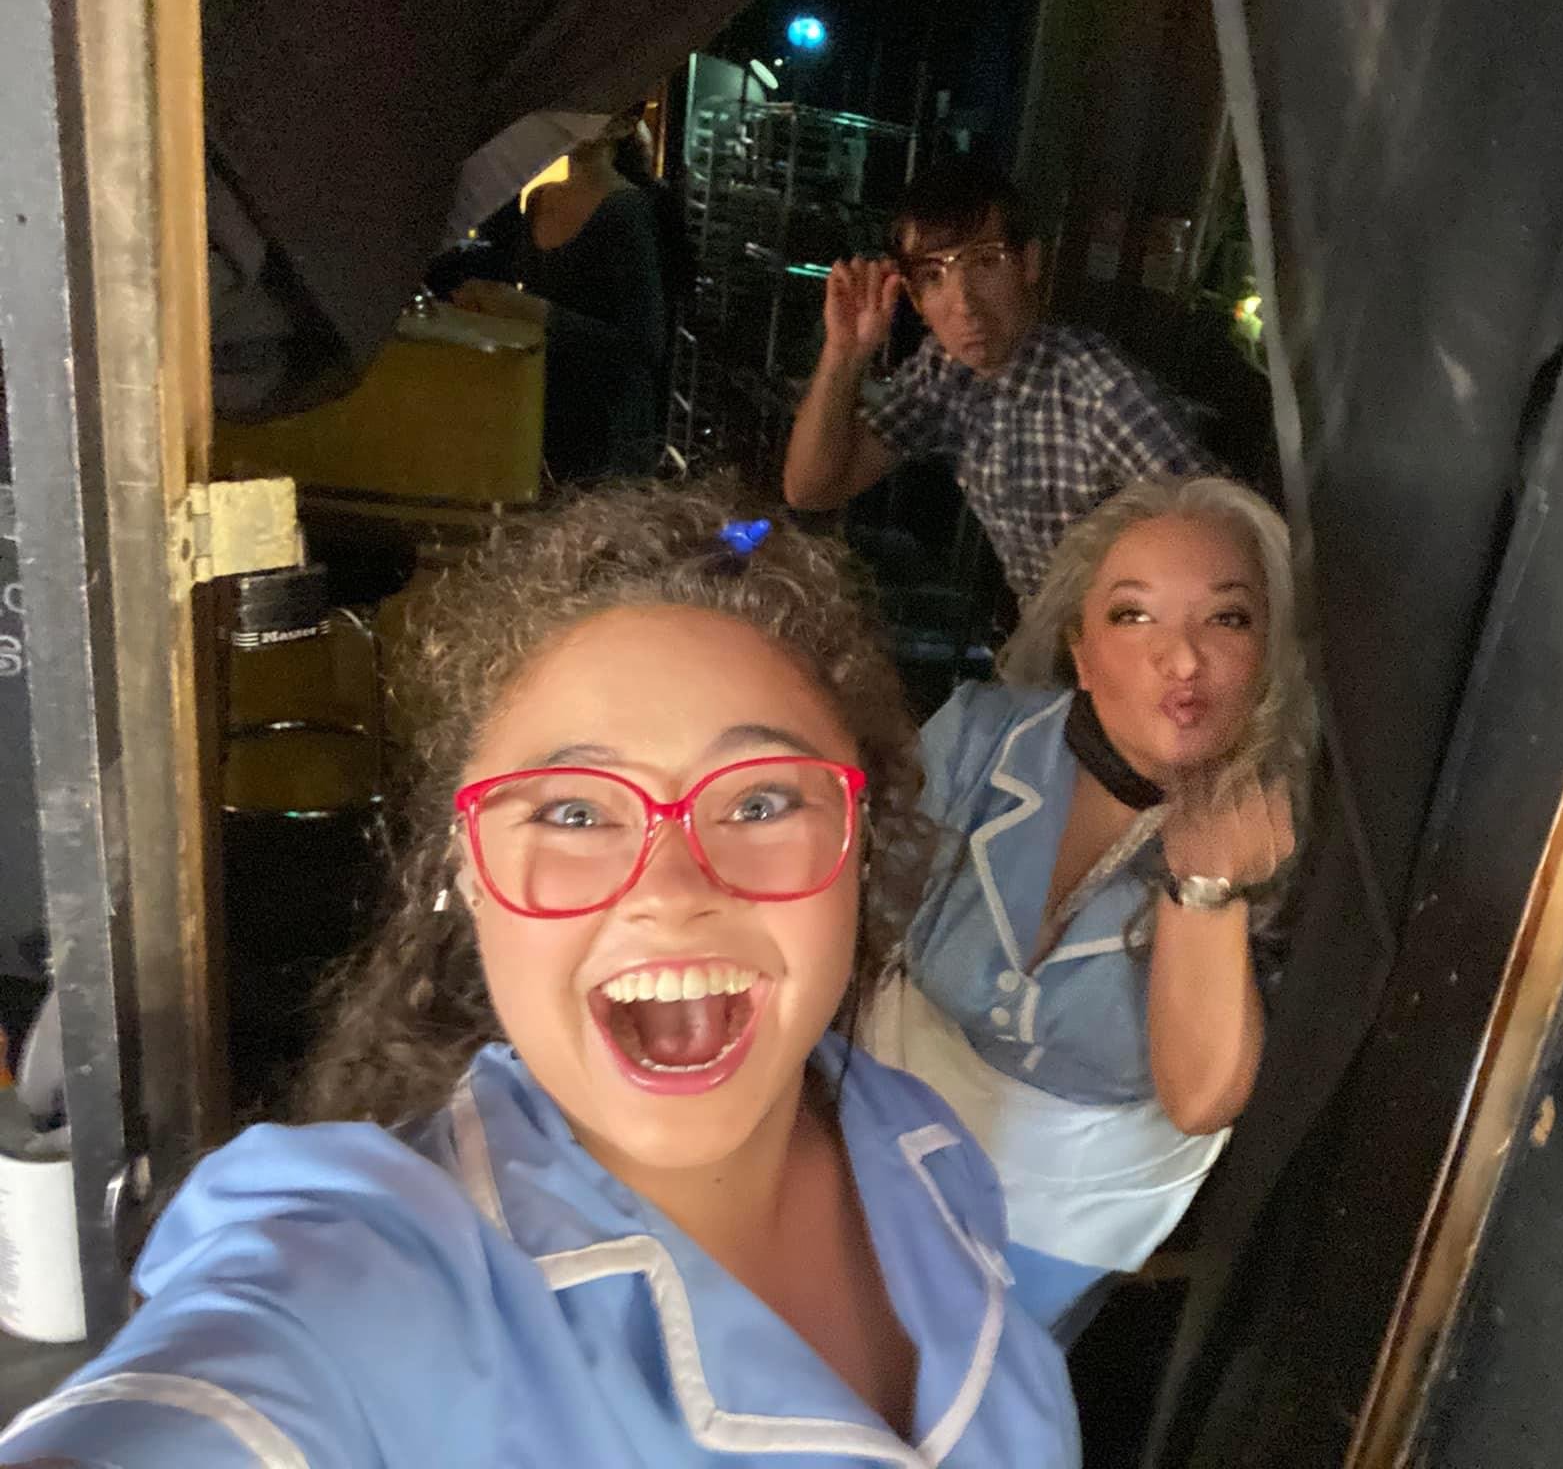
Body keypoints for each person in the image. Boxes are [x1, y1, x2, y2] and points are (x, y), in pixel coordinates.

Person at [0, 484, 1081, 1467]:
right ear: (462, 875)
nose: (669, 887)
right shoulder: (370, 1277)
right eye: (572, 813)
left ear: (860, 843)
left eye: (758, 803)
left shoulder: (922, 1151)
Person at [864, 476, 1315, 1345]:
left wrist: (1206, 892)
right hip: (887, 1108)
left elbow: (1198, 1098)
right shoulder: (986, 737)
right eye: (1134, 616)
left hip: (1067, 1206)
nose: (1181, 660)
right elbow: (856, 922)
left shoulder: (1284, 836)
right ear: (1081, 650)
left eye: (1227, 619)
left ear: (1269, 653)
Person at [782, 158, 1214, 598]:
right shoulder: (945, 373)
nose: (963, 301)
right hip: (1043, 636)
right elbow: (811, 490)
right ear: (913, 298)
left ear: (1029, 263)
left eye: (987, 262)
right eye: (934, 276)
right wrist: (845, 353)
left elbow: (1228, 540)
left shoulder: (1100, 391)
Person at [453, 111, 669, 484]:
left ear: (622, 126)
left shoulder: (626, 212)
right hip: (540, 413)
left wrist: (531, 311)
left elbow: (643, 344)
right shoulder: (538, 198)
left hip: (605, 431)